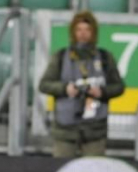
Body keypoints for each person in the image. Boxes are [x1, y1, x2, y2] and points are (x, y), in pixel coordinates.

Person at [38, 10, 125, 158]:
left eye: (87, 29)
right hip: (65, 129)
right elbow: (44, 84)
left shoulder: (105, 57)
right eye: (79, 29)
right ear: (73, 32)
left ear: (94, 32)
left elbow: (119, 87)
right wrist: (65, 89)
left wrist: (101, 92)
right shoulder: (60, 56)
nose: (83, 34)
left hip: (95, 129)